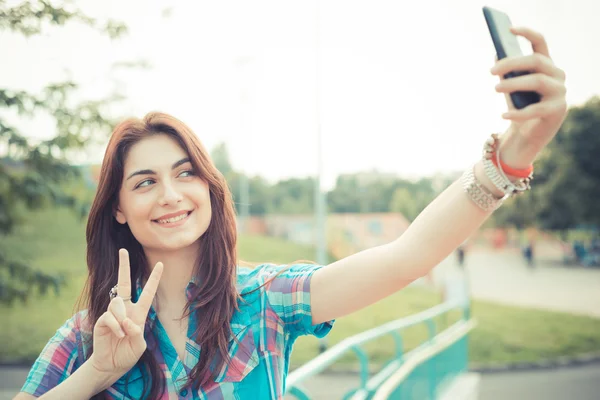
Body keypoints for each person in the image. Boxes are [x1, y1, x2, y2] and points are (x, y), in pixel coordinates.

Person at [15, 26, 567, 400]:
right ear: (117, 208)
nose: (171, 195)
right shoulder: (89, 336)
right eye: (145, 182)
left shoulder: (263, 302)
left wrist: (511, 158)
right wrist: (99, 372)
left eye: (186, 173)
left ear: (209, 185)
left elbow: (407, 257)